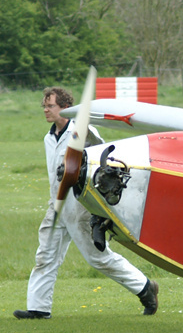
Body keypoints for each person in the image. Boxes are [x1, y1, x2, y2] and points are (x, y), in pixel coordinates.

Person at [14, 86, 158, 319]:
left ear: (66, 108)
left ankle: (145, 287)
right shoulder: (48, 137)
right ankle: (38, 308)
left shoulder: (84, 132)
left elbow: (102, 158)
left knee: (97, 258)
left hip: (80, 206)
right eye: (44, 105)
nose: (45, 110)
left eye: (50, 105)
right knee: (45, 256)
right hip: (57, 205)